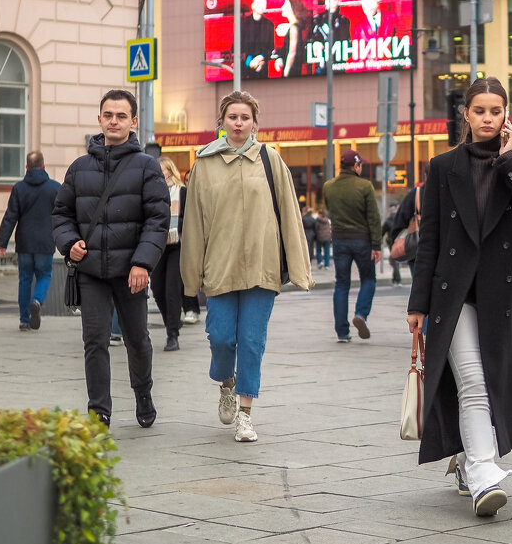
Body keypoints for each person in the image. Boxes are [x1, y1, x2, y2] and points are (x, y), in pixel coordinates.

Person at [406, 77, 512, 518]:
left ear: (506, 115)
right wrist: (417, 304)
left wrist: (509, 161)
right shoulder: (443, 166)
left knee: (491, 384)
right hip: (453, 295)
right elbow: (429, 240)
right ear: (465, 115)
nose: (488, 118)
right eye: (480, 111)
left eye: (496, 111)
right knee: (471, 381)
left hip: (500, 292)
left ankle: (471, 464)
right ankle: (485, 474)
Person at [180, 90, 313, 443]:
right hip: (219, 268)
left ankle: (246, 414)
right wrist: (191, 278)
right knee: (221, 338)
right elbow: (193, 223)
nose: (239, 123)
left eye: (245, 118)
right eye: (232, 117)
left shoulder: (270, 159)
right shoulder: (204, 164)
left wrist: (300, 269)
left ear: (254, 123)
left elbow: (289, 216)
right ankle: (226, 382)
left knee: (252, 342)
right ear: (222, 122)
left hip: (262, 267)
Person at [52, 89, 169, 429]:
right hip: (92, 271)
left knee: (137, 339)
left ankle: (143, 393)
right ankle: (98, 410)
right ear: (99, 119)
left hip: (130, 270)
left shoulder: (147, 167)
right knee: (94, 341)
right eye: (108, 115)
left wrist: (142, 263)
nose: (114, 121)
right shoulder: (79, 167)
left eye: (121, 116)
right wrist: (69, 242)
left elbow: (157, 221)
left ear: (133, 121)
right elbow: (61, 214)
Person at [0, 151, 62, 332]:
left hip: (24, 242)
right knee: (44, 275)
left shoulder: (19, 188)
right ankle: (37, 301)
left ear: (26, 167)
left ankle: (24, 320)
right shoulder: (55, 188)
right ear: (43, 166)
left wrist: (2, 243)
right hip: (45, 242)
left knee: (24, 279)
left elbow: (10, 217)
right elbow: (63, 215)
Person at [322, 150, 381, 342]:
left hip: (339, 241)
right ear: (356, 166)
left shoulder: (328, 186)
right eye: (360, 165)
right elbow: (373, 218)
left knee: (341, 284)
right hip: (363, 240)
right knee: (369, 280)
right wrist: (377, 245)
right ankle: (361, 314)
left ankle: (342, 332)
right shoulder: (365, 186)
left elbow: (330, 211)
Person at [151, 156, 188, 352]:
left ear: (170, 171)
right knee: (157, 289)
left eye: (162, 169)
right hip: (158, 245)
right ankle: (172, 322)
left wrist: (176, 228)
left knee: (172, 290)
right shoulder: (152, 192)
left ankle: (172, 334)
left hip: (177, 244)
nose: (159, 171)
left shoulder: (182, 192)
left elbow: (190, 218)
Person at [311, 0, 351, 74]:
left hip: (338, 63)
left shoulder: (344, 21)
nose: (331, 3)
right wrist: (315, 44)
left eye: (334, 0)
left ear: (339, 1)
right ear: (325, 1)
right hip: (322, 62)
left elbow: (347, 41)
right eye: (329, 0)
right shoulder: (317, 19)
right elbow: (311, 39)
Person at [272, 0, 312, 78]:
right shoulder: (295, 27)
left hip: (292, 70)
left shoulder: (294, 28)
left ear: (291, 8)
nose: (282, 7)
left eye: (285, 5)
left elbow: (292, 53)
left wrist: (286, 72)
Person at [240, 0, 275, 79]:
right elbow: (237, 48)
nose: (262, 5)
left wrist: (261, 58)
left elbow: (270, 47)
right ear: (253, 6)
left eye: (264, 3)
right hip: (246, 71)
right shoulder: (243, 24)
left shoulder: (269, 25)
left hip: (262, 68)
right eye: (259, 3)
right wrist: (250, 62)